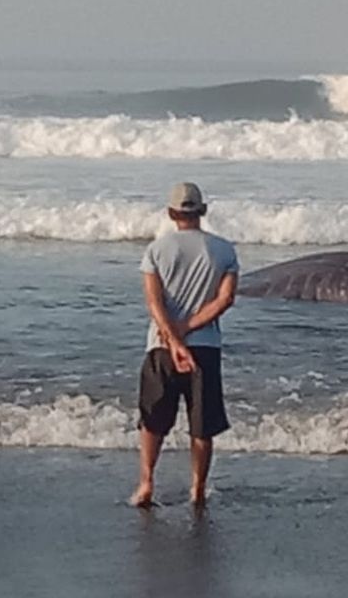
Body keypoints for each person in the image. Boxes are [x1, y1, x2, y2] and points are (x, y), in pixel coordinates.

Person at [131, 182, 239, 510]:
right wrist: (188, 329)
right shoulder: (223, 250)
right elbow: (225, 299)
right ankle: (198, 487)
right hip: (205, 347)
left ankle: (147, 482)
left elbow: (154, 303)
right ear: (202, 211)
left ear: (171, 213)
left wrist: (173, 337)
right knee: (202, 425)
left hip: (161, 346)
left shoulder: (156, 250)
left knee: (153, 420)